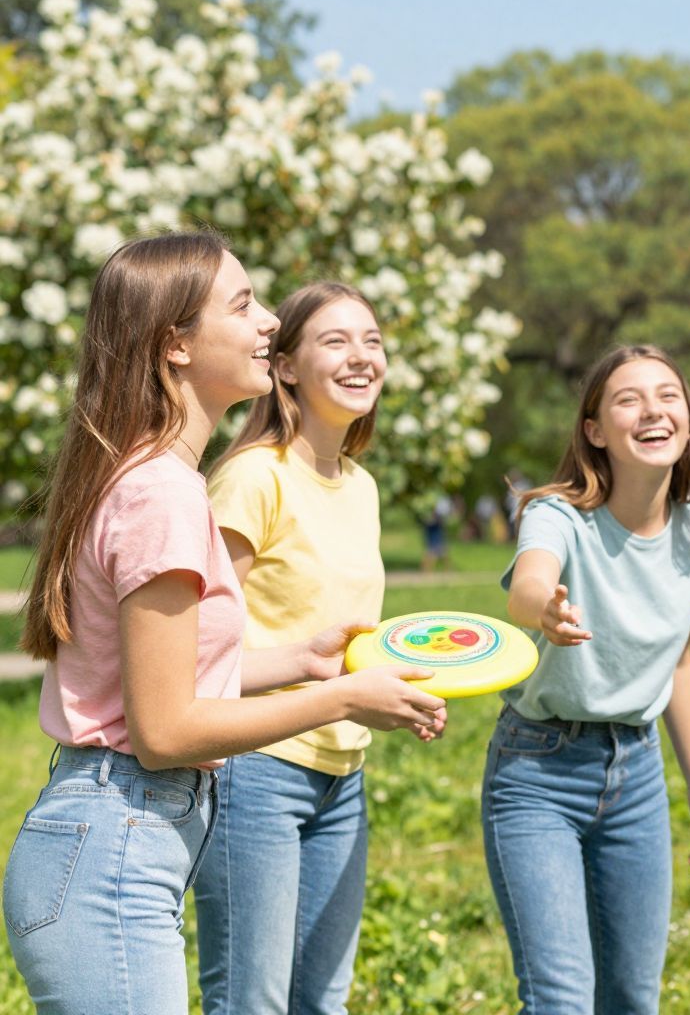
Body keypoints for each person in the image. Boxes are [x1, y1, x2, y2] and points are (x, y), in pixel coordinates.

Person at [3, 232, 445, 1015]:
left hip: (119, 841)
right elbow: (165, 730)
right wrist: (344, 699)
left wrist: (304, 661)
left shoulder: (156, 478)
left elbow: (170, 678)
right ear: (176, 345)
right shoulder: (163, 494)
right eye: (243, 305)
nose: (270, 320)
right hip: (112, 850)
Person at [492, 344, 690, 1015]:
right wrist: (545, 608)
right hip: (538, 771)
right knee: (561, 1001)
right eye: (630, 399)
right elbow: (529, 585)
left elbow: (679, 661)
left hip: (637, 777)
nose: (653, 410)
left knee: (631, 998)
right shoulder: (558, 514)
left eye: (668, 396)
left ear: (688, 419)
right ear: (595, 430)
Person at [194, 282, 395, 1014]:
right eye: (335, 341)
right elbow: (195, 652)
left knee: (321, 1002)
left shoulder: (361, 486)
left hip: (343, 772)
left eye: (372, 340)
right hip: (256, 771)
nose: (360, 356)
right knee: (251, 1002)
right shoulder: (253, 477)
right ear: (284, 367)